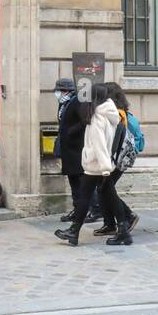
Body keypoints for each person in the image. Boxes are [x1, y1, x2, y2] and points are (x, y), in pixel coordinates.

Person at [53, 84, 124, 246]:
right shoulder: (107, 114)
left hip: (97, 166)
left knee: (86, 197)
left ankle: (75, 231)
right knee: (107, 197)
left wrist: (105, 169)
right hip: (100, 165)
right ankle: (122, 229)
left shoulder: (97, 118)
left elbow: (99, 145)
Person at [93, 82, 139, 238]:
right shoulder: (120, 112)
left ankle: (127, 216)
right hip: (115, 158)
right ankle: (110, 223)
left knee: (106, 188)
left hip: (115, 159)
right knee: (103, 188)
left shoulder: (117, 114)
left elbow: (112, 140)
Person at [54, 78, 90, 223]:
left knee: (81, 183)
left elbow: (84, 121)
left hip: (76, 149)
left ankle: (88, 211)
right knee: (73, 181)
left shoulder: (77, 102)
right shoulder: (63, 104)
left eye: (60, 90)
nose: (58, 93)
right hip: (68, 150)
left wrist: (70, 132)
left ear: (67, 91)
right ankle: (77, 210)